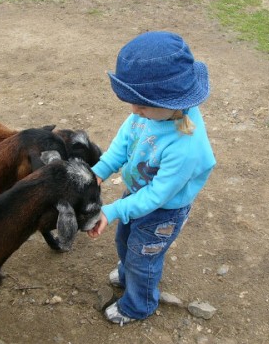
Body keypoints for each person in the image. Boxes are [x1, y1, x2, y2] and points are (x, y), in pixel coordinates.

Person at [87, 31, 216, 325]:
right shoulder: (151, 113)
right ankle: (126, 275)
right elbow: (125, 138)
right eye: (132, 101)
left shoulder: (187, 147)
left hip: (162, 213)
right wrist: (101, 170)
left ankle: (138, 304)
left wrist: (112, 210)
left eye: (141, 104)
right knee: (124, 241)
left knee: (143, 258)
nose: (134, 110)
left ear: (173, 100)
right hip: (137, 193)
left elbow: (158, 196)